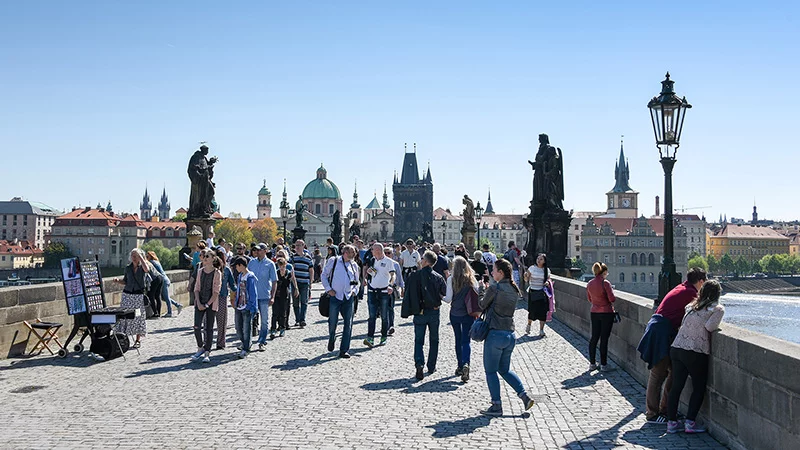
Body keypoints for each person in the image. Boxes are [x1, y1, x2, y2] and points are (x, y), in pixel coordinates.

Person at [637, 268, 708, 424]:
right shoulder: (691, 294)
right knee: (658, 373)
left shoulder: (681, 287)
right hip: (661, 333)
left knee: (674, 372)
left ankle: (666, 410)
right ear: (701, 281)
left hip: (660, 329)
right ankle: (653, 413)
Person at [667, 280, 725, 434]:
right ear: (717, 294)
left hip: (677, 347)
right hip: (694, 351)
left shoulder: (691, 306)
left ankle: (671, 422)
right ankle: (690, 423)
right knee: (698, 388)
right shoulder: (717, 309)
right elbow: (710, 327)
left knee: (676, 386)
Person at [479, 258, 535, 416]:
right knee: (504, 369)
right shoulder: (514, 289)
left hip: (495, 334)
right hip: (510, 335)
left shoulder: (495, 288)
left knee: (490, 371)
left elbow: (482, 305)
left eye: (494, 270)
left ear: (501, 273)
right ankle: (524, 396)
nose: (491, 272)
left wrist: (482, 290)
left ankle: (496, 405)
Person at [401, 250, 446, 380]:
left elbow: (408, 293)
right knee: (434, 340)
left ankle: (419, 364)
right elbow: (444, 293)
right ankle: (431, 365)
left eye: (422, 259)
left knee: (419, 340)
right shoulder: (438, 277)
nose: (420, 261)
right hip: (434, 311)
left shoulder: (414, 276)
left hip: (419, 311)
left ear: (426, 261)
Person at [443, 256, 479, 383]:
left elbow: (448, 299)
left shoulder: (451, 279)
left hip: (455, 314)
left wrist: (440, 296)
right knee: (466, 341)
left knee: (458, 339)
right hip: (468, 314)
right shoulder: (471, 280)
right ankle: (466, 364)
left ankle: (459, 365)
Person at [321, 244, 361, 358]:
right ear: (344, 252)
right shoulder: (334, 261)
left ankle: (344, 350)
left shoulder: (354, 265)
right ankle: (332, 336)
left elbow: (357, 281)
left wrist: (355, 291)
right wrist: (328, 289)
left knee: (348, 324)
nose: (352, 255)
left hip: (348, 297)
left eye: (354, 253)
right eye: (350, 253)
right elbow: (324, 275)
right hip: (335, 296)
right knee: (332, 321)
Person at [113, 249, 151, 348]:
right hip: (127, 295)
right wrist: (118, 281)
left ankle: (138, 340)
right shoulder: (128, 268)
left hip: (138, 296)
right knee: (124, 316)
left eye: (136, 255)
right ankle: (123, 338)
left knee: (138, 317)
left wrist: (141, 258)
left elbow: (147, 269)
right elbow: (125, 281)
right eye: (133, 255)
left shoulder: (142, 267)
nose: (134, 257)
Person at [191, 249, 222, 363]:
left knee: (209, 328)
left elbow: (216, 292)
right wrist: (198, 302)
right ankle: (200, 347)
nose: (205, 258)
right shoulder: (200, 271)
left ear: (213, 259)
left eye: (207, 256)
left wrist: (207, 304)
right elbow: (197, 288)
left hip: (211, 304)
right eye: (204, 256)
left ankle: (207, 352)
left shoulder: (217, 273)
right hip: (200, 302)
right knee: (196, 327)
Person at [364, 243, 396, 348]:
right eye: (373, 250)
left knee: (384, 316)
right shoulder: (372, 260)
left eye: (376, 250)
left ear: (380, 250)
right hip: (372, 290)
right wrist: (367, 274)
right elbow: (370, 272)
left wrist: (391, 285)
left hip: (384, 291)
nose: (374, 252)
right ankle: (370, 338)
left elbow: (393, 274)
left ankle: (383, 336)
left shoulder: (388, 261)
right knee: (372, 316)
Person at [248, 243, 278, 352]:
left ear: (265, 250)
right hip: (252, 297)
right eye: (256, 250)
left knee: (264, 321)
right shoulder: (251, 263)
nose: (257, 252)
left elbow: (274, 281)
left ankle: (261, 341)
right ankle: (247, 342)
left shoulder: (270, 264)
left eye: (259, 250)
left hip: (265, 295)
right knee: (249, 320)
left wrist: (272, 296)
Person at [586, 262, 616, 371]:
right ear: (603, 272)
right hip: (606, 313)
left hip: (594, 312)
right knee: (604, 339)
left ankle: (592, 364)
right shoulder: (605, 283)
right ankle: (604, 364)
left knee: (594, 338)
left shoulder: (590, 283)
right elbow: (612, 299)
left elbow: (590, 299)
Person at [231, 256, 257, 358]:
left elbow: (253, 293)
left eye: (236, 266)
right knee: (238, 327)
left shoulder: (250, 277)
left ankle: (246, 348)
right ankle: (244, 343)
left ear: (241, 265)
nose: (235, 268)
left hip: (247, 306)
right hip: (239, 305)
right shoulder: (240, 276)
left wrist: (250, 306)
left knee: (247, 329)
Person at [146, 251, 182, 317]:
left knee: (165, 297)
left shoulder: (152, 262)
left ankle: (170, 312)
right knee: (163, 297)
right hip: (164, 279)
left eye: (147, 256)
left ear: (151, 256)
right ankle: (177, 305)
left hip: (163, 281)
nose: (146, 257)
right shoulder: (156, 262)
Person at [524, 253, 551, 337]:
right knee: (532, 311)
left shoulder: (547, 270)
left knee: (543, 312)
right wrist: (525, 276)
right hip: (533, 291)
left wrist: (547, 282)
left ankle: (541, 330)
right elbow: (526, 280)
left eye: (541, 259)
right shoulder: (532, 268)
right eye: (538, 259)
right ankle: (529, 325)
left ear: (544, 261)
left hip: (542, 293)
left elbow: (549, 280)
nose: (539, 260)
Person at [215, 248, 237, 350]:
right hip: (215, 297)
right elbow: (232, 285)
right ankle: (214, 343)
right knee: (215, 322)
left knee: (218, 322)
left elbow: (232, 285)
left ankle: (218, 342)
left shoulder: (226, 270)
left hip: (220, 296)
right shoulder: (210, 269)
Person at [290, 240, 314, 328]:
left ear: (303, 246)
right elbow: (291, 270)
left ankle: (302, 319)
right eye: (296, 245)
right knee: (296, 302)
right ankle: (297, 319)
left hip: (305, 283)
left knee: (304, 301)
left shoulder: (308, 257)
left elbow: (311, 270)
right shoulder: (292, 257)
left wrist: (311, 282)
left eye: (299, 245)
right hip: (295, 283)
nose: (297, 247)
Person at [270, 258, 294, 339]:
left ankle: (282, 328)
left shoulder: (288, 273)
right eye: (280, 266)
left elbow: (289, 283)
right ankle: (273, 329)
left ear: (285, 265)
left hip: (285, 294)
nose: (282, 268)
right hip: (276, 294)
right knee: (275, 313)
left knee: (283, 313)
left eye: (283, 266)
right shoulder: (276, 273)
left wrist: (296, 289)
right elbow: (273, 283)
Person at [384, 246, 403, 336]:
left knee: (390, 308)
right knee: (382, 309)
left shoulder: (395, 264)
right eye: (386, 252)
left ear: (392, 254)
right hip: (381, 289)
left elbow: (399, 276)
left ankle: (390, 326)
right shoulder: (378, 262)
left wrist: (402, 288)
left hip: (391, 288)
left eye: (389, 253)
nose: (387, 254)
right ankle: (385, 325)